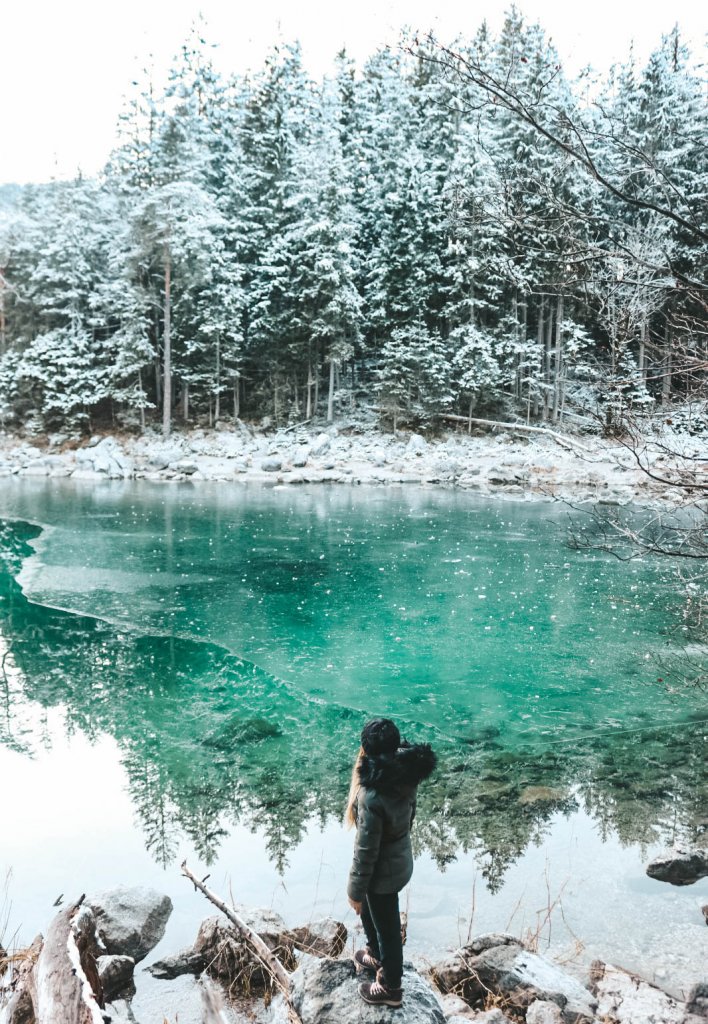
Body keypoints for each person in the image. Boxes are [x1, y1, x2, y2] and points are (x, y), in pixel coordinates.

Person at [345, 717, 436, 1009]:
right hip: (400, 860)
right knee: (374, 914)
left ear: (366, 751)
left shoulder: (372, 795)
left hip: (382, 872)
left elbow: (365, 850)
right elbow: (408, 816)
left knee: (388, 929)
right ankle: (374, 953)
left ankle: (390, 986)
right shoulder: (406, 772)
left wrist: (354, 890)